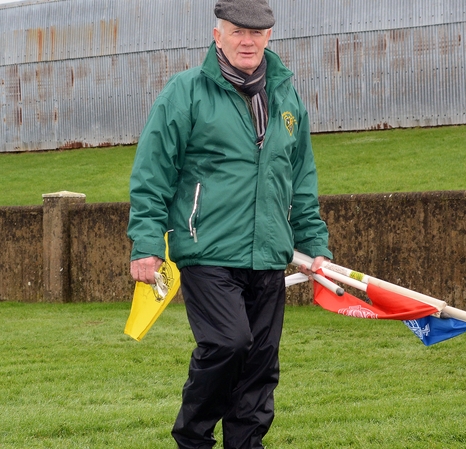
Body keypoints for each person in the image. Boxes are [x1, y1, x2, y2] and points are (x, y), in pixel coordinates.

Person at [127, 0, 332, 447]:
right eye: (237, 31)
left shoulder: (287, 97)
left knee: (261, 361)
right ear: (217, 35)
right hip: (208, 250)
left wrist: (315, 243)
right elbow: (152, 173)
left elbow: (301, 180)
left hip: (268, 256)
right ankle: (194, 436)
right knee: (228, 344)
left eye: (256, 33)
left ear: (269, 37)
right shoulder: (185, 92)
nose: (247, 40)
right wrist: (145, 242)